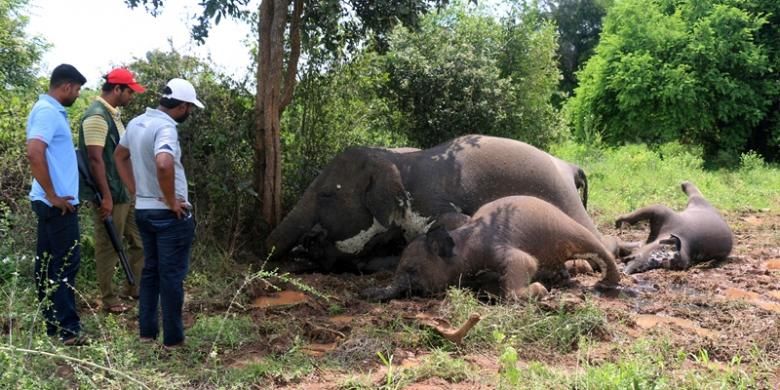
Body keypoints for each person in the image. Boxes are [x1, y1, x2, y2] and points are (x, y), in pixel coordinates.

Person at [115, 78, 204, 348]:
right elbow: (164, 164)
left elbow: (119, 156)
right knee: (172, 276)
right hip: (168, 217)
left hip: (144, 210)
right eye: (190, 108)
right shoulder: (166, 127)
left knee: (151, 272)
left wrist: (136, 190)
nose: (189, 113)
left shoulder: (137, 123)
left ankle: (147, 333)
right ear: (183, 106)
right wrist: (171, 202)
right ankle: (174, 340)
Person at [26, 64, 88, 346]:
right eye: (76, 89)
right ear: (66, 86)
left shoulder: (49, 111)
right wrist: (53, 194)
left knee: (48, 265)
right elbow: (34, 152)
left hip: (52, 202)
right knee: (64, 265)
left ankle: (53, 325)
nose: (76, 94)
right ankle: (68, 330)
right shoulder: (48, 112)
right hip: (56, 205)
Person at [77, 68, 146, 314]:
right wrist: (105, 196)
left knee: (137, 240)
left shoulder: (112, 115)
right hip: (111, 195)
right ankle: (109, 298)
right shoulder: (96, 116)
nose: (132, 96)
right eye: (129, 91)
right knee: (109, 245)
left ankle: (134, 287)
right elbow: (95, 160)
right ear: (117, 89)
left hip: (122, 193)